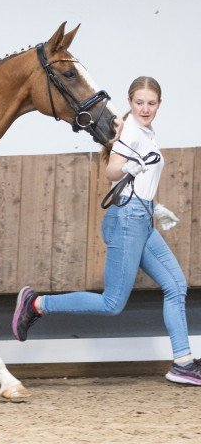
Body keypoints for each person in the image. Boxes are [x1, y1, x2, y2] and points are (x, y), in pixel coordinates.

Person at [12, 76, 201, 385]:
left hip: (141, 217)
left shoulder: (147, 133)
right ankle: (35, 304)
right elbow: (112, 170)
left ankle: (183, 362)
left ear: (159, 104)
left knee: (176, 286)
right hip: (127, 219)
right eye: (139, 102)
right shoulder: (131, 132)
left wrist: (155, 205)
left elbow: (140, 176)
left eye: (151, 103)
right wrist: (129, 167)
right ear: (130, 102)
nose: (145, 108)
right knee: (112, 304)